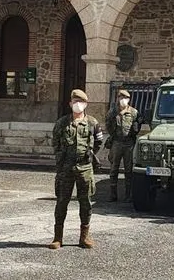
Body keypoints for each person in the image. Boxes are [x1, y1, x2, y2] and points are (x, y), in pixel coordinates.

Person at [49, 89, 104, 250]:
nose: (77, 105)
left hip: (85, 167)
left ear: (85, 104)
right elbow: (55, 143)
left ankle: (84, 237)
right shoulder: (62, 123)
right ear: (70, 104)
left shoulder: (92, 123)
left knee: (85, 201)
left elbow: (98, 142)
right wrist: (60, 158)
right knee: (61, 202)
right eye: (74, 102)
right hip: (66, 167)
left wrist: (89, 155)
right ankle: (57, 237)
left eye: (80, 102)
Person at [105, 89, 140, 202]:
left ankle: (128, 195)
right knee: (114, 169)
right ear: (117, 99)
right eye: (120, 98)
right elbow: (108, 124)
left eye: (125, 98)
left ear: (128, 100)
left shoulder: (134, 112)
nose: (122, 100)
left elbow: (137, 126)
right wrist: (113, 136)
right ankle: (113, 194)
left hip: (129, 144)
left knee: (128, 171)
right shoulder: (112, 112)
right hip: (116, 143)